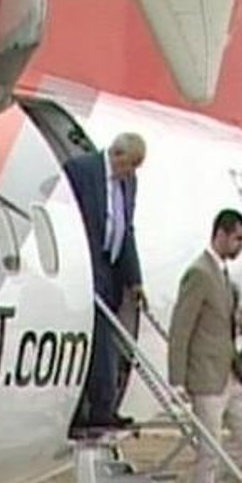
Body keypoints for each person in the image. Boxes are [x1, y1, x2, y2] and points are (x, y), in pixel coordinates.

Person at [167, 209, 242, 483]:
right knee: (209, 456)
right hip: (205, 379)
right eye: (238, 239)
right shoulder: (199, 274)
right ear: (220, 234)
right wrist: (177, 381)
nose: (241, 246)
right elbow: (181, 329)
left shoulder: (225, 277)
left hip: (229, 376)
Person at [65, 132, 147, 429]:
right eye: (130, 165)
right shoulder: (81, 171)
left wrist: (135, 280)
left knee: (106, 337)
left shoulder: (129, 183)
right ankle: (99, 408)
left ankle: (101, 405)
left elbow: (126, 230)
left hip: (110, 269)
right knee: (101, 338)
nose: (131, 173)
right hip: (87, 265)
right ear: (117, 154)